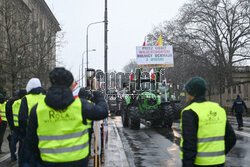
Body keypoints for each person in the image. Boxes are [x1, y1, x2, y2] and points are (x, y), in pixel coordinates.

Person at [26, 67, 108, 167]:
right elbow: (103, 112)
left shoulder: (38, 109)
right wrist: (97, 93)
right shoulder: (81, 106)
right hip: (78, 161)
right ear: (70, 85)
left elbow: (30, 142)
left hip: (49, 162)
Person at [180, 77, 236, 167]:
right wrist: (219, 155)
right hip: (219, 163)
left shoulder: (190, 112)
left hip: (199, 163)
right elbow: (231, 138)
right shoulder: (218, 109)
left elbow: (189, 145)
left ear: (190, 93)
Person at [18, 78, 46, 167]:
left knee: (28, 159)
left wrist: (23, 134)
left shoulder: (25, 99)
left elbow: (22, 119)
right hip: (44, 135)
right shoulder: (46, 98)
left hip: (29, 135)